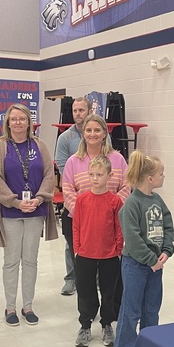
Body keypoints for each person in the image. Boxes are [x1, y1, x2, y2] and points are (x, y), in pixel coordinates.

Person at [0, 103, 58, 326]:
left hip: (36, 211)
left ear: (29, 122)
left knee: (30, 260)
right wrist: (16, 202)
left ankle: (27, 305)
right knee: (11, 260)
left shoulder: (40, 145)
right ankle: (10, 306)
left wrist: (39, 198)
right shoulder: (1, 146)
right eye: (14, 119)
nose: (18, 122)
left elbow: (49, 173)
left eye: (22, 118)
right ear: (8, 123)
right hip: (10, 212)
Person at [62, 114, 130, 317]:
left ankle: (111, 313)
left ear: (104, 133)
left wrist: (111, 209)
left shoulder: (117, 159)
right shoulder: (74, 161)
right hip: (81, 223)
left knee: (111, 274)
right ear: (83, 134)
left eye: (97, 130)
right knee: (86, 275)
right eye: (88, 130)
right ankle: (88, 313)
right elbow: (67, 189)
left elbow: (126, 186)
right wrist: (85, 212)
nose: (92, 134)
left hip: (112, 222)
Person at [113, 151, 174, 347]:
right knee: (131, 309)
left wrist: (166, 250)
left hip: (156, 265)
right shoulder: (131, 203)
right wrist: (150, 260)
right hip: (136, 265)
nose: (163, 177)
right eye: (161, 174)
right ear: (150, 178)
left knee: (151, 309)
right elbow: (133, 238)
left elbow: (168, 226)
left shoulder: (157, 200)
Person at [72, 155, 124, 347]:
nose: (95, 178)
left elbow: (119, 227)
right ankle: (85, 325)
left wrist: (118, 249)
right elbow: (76, 225)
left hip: (109, 255)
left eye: (100, 174)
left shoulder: (115, 201)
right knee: (86, 292)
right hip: (85, 254)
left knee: (108, 292)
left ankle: (106, 324)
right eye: (92, 174)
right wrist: (77, 248)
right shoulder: (82, 200)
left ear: (109, 176)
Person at [54, 96, 90, 296]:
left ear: (89, 111)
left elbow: (107, 161)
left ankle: (95, 278)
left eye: (81, 110)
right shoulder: (65, 138)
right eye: (75, 111)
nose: (78, 114)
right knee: (72, 242)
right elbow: (61, 166)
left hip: (97, 197)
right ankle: (71, 278)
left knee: (95, 240)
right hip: (74, 197)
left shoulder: (100, 134)